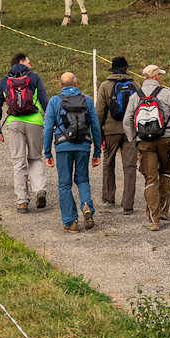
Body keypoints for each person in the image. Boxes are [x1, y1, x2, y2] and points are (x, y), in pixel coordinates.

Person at [41, 71, 102, 233]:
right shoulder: (87, 100)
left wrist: (47, 152)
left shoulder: (54, 101)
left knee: (64, 184)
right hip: (83, 146)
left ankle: (71, 222)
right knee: (82, 179)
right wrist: (97, 152)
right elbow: (95, 126)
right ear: (76, 84)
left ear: (60, 85)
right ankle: (86, 204)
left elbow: (48, 129)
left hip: (63, 147)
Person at [125, 63, 170, 231]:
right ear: (157, 77)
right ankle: (164, 210)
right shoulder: (168, 94)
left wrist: (133, 140)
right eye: (160, 75)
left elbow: (127, 120)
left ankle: (153, 219)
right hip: (166, 140)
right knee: (166, 172)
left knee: (150, 178)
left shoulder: (136, 96)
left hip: (145, 142)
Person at [0, 52, 50, 213]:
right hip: (35, 123)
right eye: (28, 62)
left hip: (14, 123)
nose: (30, 65)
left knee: (18, 162)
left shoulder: (5, 82)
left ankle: (22, 201)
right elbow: (45, 101)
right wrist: (52, 121)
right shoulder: (35, 78)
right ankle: (39, 190)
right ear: (21, 62)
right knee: (36, 158)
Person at [95, 55, 138, 215]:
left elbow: (99, 112)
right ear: (126, 69)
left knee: (108, 163)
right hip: (130, 131)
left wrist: (99, 135)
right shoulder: (135, 84)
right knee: (130, 167)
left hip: (111, 130)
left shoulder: (105, 85)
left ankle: (108, 197)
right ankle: (128, 204)